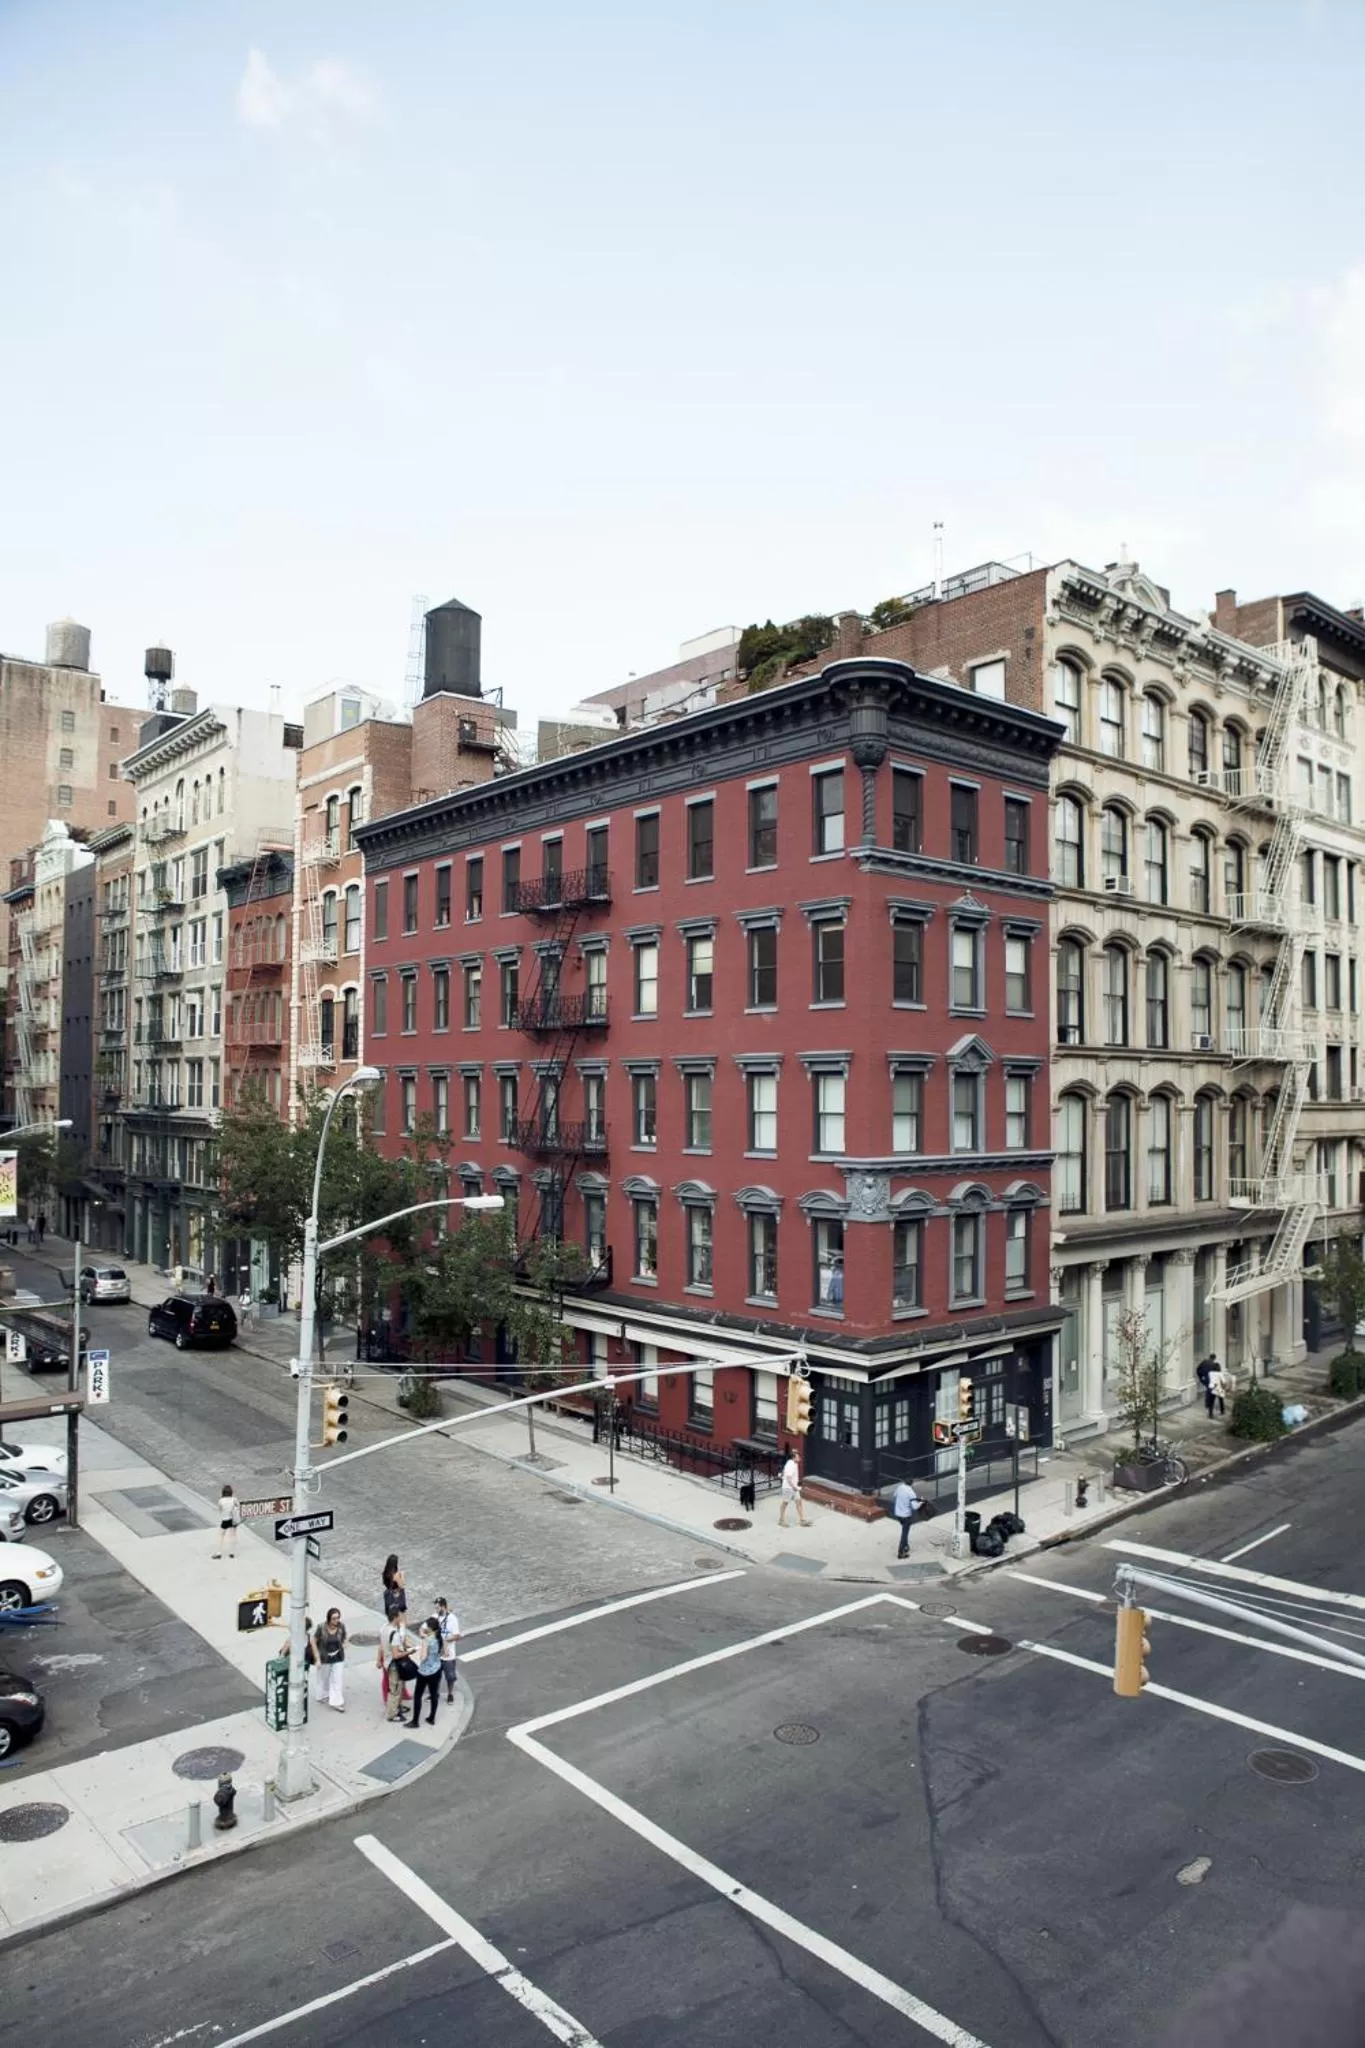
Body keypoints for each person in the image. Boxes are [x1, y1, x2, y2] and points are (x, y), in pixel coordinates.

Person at [377, 1613, 417, 1722]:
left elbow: (382, 1646)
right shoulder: (394, 1634)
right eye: (399, 1616)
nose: (401, 1618)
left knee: (396, 1688)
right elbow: (395, 1655)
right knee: (394, 1690)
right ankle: (392, 1714)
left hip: (387, 1662)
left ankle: (397, 1707)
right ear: (395, 1617)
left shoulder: (384, 1628)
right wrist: (409, 1652)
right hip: (394, 1665)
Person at [409, 1617, 443, 1728]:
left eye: (426, 1626)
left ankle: (415, 1721)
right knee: (434, 1694)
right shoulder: (439, 1638)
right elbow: (443, 1652)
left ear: (430, 1628)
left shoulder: (427, 1641)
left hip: (425, 1672)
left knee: (418, 1695)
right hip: (436, 1668)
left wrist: (421, 1646)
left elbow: (422, 1658)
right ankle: (432, 1717)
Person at [313, 1608, 347, 1711]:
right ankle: (323, 1694)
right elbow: (313, 1642)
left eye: (338, 1618)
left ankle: (336, 1702)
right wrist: (317, 1658)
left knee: (337, 1679)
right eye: (334, 1619)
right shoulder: (321, 1627)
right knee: (324, 1678)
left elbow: (344, 1637)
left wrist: (345, 1643)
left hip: (338, 1656)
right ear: (329, 1619)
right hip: (325, 1657)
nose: (336, 1621)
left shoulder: (341, 1627)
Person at [435, 1597, 461, 1703]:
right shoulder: (435, 1617)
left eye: (437, 1608)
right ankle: (434, 1693)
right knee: (435, 1675)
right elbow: (424, 1628)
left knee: (450, 1676)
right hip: (436, 1653)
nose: (436, 1610)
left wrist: (445, 1640)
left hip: (448, 1654)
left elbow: (457, 1635)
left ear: (443, 1607)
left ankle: (450, 1694)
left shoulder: (452, 1619)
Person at [891, 1477, 921, 1559]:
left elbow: (894, 1496)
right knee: (904, 1533)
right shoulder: (911, 1492)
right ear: (912, 1483)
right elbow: (915, 1507)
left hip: (898, 1514)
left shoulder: (900, 1487)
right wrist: (921, 1502)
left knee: (904, 1529)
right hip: (906, 1515)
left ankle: (906, 1546)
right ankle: (901, 1552)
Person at [778, 1450, 809, 1529]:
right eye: (798, 1457)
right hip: (788, 1488)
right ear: (794, 1458)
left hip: (793, 1487)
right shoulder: (791, 1465)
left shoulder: (792, 1463)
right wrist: (795, 1487)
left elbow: (784, 1471)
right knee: (785, 1503)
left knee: (799, 1501)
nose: (800, 1458)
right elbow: (788, 1478)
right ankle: (781, 1520)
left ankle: (802, 1520)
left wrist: (782, 1474)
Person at [213, 1483, 240, 1558]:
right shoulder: (234, 1499)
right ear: (231, 1492)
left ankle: (218, 1553)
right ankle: (232, 1553)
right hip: (233, 1520)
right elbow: (238, 1507)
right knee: (233, 1536)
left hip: (225, 1520)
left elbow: (219, 1510)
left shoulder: (221, 1500)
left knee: (221, 1536)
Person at [382, 1554, 407, 1620]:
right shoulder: (396, 1575)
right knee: (400, 1615)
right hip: (397, 1595)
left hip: (388, 1594)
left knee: (391, 1615)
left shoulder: (385, 1573)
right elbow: (402, 1586)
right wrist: (402, 1576)